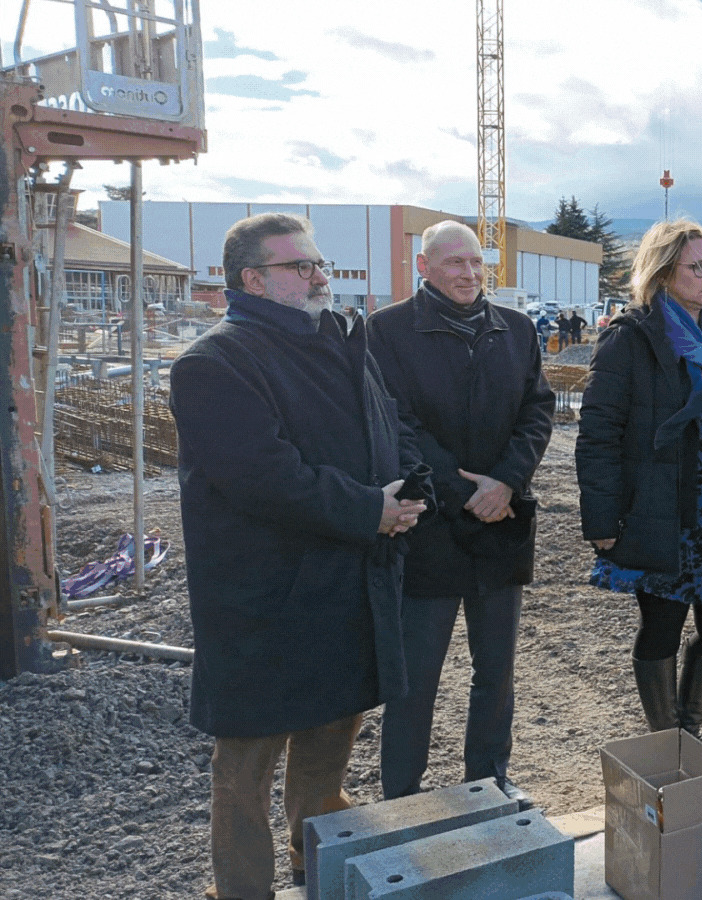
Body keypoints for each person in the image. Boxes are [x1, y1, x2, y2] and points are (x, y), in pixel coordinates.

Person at [169, 213, 426, 900]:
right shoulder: (214, 363)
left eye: (320, 263)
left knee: (329, 744)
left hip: (344, 586)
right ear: (252, 279)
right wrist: (371, 510)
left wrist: (408, 486)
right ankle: (242, 890)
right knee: (245, 772)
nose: (320, 276)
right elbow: (263, 476)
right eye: (301, 266)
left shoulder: (341, 342)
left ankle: (317, 869)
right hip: (263, 605)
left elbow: (387, 425)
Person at [367, 221, 555, 806]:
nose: (469, 274)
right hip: (429, 527)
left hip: (501, 526)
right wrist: (461, 489)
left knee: (495, 673)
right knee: (415, 678)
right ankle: (402, 796)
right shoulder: (387, 332)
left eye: (476, 263)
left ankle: (488, 782)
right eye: (454, 263)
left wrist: (506, 481)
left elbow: (537, 411)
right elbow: (397, 424)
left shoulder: (516, 330)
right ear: (423, 268)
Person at [576, 220, 702, 737]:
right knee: (661, 627)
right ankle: (668, 739)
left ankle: (691, 725)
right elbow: (599, 432)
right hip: (664, 510)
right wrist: (601, 517)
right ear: (663, 272)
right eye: (697, 267)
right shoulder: (632, 337)